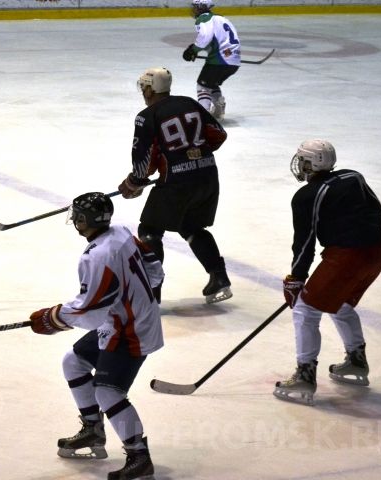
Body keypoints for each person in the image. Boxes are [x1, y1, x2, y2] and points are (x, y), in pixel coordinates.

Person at [29, 192, 164, 480]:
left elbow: (91, 311)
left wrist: (52, 318)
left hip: (131, 329)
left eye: (77, 216)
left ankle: (139, 457)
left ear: (83, 220)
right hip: (124, 320)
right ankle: (93, 430)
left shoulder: (97, 256)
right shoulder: (120, 232)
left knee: (108, 391)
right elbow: (153, 267)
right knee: (73, 362)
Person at [273, 139, 381, 406]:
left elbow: (305, 242)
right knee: (342, 304)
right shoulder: (353, 177)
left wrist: (296, 279)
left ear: (312, 164)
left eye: (303, 160)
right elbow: (378, 216)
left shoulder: (306, 196)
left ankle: (304, 375)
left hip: (347, 258)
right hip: (378, 252)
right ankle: (356, 362)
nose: (299, 165)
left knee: (305, 310)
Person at [118, 66, 231, 304]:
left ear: (150, 89)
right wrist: (196, 154)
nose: (143, 92)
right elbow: (219, 134)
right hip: (208, 176)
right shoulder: (190, 103)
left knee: (150, 230)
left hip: (176, 183)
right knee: (191, 225)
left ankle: (152, 292)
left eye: (144, 87)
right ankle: (219, 278)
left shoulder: (146, 116)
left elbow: (143, 160)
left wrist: (133, 183)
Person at [181, 0, 241, 120]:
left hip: (219, 60)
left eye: (195, 6)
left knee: (202, 86)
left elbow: (205, 36)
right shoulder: (221, 18)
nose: (193, 9)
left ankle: (204, 116)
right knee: (211, 83)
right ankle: (219, 109)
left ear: (201, 7)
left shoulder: (204, 18)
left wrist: (193, 50)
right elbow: (220, 39)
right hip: (234, 61)